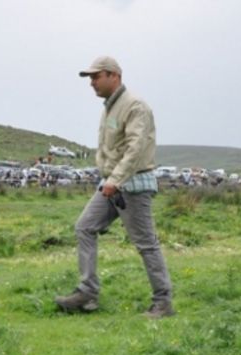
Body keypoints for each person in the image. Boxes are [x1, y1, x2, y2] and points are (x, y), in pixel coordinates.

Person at [55, 56, 174, 318]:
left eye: (96, 77)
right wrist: (108, 178)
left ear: (114, 76)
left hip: (130, 185)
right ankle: (87, 293)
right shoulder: (111, 106)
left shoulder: (134, 106)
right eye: (91, 78)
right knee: (84, 227)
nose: (92, 83)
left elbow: (135, 148)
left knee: (145, 244)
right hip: (112, 184)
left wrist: (114, 180)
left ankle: (163, 302)